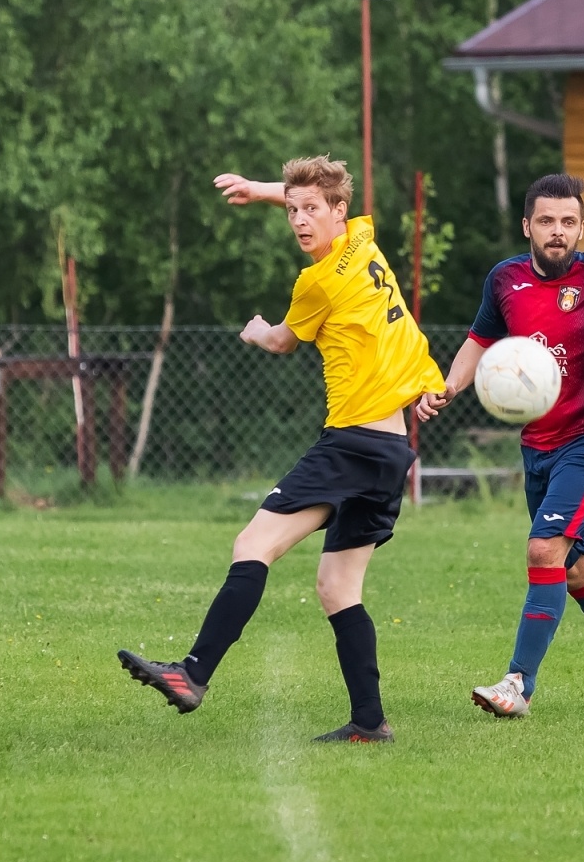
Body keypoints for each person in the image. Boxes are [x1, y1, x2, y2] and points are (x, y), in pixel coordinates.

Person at [117, 156, 445, 744]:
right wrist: (264, 191)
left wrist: (256, 330)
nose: (298, 220)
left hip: (352, 443)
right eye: (292, 210)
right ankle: (370, 722)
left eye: (309, 211)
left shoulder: (317, 282)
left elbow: (281, 342)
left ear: (338, 211)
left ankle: (192, 674)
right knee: (338, 589)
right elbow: (315, 193)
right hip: (391, 449)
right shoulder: (365, 242)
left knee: (253, 545)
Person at [417, 174, 584, 719]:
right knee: (575, 570)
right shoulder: (505, 280)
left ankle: (518, 684)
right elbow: (479, 340)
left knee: (544, 550)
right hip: (537, 445)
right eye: (546, 221)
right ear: (527, 226)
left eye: (568, 221)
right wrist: (448, 386)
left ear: (582, 228)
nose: (557, 231)